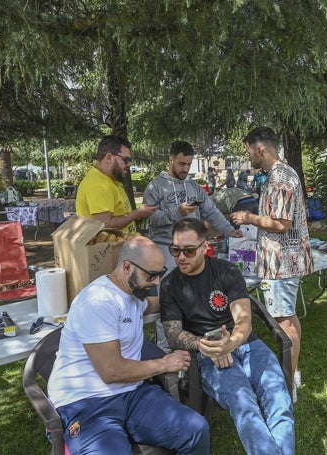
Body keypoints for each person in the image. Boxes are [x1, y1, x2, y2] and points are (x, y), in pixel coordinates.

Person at [46, 236, 210, 454]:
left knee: (196, 429)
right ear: (126, 267)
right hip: (87, 402)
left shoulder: (131, 292)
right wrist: (164, 364)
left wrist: (188, 300)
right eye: (151, 275)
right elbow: (111, 371)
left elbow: (149, 305)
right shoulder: (98, 301)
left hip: (132, 392)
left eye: (161, 274)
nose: (157, 282)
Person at [160, 218, 294, 455]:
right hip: (208, 354)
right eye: (176, 250)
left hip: (247, 344)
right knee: (244, 404)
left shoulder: (226, 271)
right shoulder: (170, 284)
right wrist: (209, 346)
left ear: (205, 246)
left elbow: (243, 319)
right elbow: (173, 335)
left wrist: (230, 343)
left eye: (189, 250)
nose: (181, 256)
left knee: (279, 399)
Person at [230, 126, 314, 402]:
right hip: (282, 261)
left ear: (260, 149)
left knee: (283, 322)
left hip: (282, 263)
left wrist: (248, 217)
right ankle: (295, 372)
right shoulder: (280, 175)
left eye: (249, 151)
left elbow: (280, 224)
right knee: (288, 317)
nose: (249, 156)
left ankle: (287, 386)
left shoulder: (280, 178)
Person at [143, 141, 242, 271]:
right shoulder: (155, 187)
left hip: (194, 250)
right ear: (171, 160)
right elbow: (150, 220)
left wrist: (229, 230)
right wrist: (177, 212)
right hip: (167, 251)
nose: (185, 169)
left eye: (189, 164)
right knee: (171, 290)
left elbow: (211, 211)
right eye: (182, 164)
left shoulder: (194, 187)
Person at [76, 135, 157, 232]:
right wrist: (138, 213)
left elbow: (120, 214)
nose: (129, 164)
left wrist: (136, 217)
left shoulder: (112, 178)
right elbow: (106, 224)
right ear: (109, 158)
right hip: (112, 247)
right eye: (126, 160)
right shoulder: (99, 185)